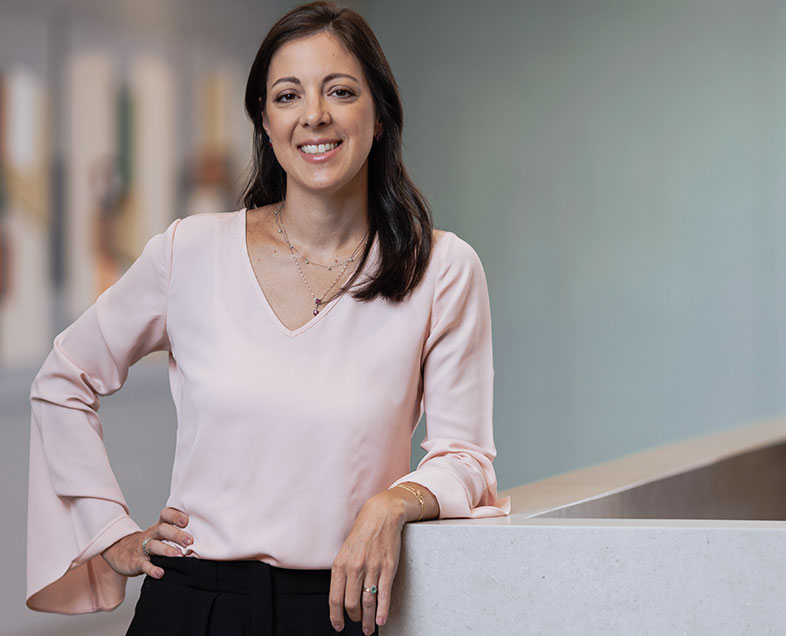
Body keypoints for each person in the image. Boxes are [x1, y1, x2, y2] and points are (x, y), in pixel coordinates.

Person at [26, 2, 510, 635]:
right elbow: (63, 381)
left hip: (347, 609)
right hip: (194, 605)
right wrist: (112, 534)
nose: (315, 115)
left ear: (380, 115)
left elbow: (466, 456)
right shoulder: (188, 252)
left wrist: (396, 503)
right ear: (264, 118)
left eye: (340, 91)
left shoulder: (442, 269)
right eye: (288, 95)